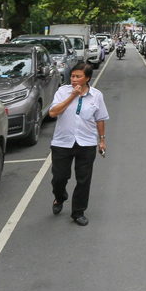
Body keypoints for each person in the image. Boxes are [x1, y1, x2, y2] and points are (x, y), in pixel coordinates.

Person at [48, 62, 108, 226]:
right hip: (62, 142)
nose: (74, 79)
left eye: (78, 77)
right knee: (59, 177)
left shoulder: (96, 96)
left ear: (87, 78)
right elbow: (53, 112)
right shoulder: (62, 92)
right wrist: (72, 96)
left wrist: (101, 140)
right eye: (72, 76)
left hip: (86, 143)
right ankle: (60, 197)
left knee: (84, 180)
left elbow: (100, 118)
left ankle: (78, 212)